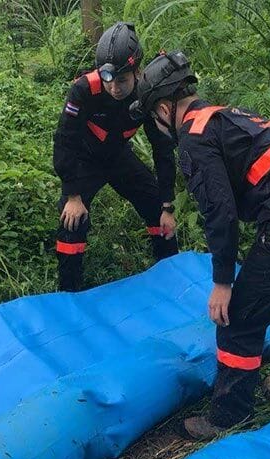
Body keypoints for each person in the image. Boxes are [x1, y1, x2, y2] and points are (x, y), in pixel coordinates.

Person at [130, 51, 270, 439]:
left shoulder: (194, 138)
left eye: (153, 117)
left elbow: (220, 212)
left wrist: (223, 282)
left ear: (163, 109)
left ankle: (229, 415)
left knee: (238, 319)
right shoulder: (227, 116)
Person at [53, 22, 178, 292]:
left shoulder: (148, 93)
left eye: (122, 80)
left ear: (137, 71)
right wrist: (73, 195)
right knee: (72, 221)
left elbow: (162, 150)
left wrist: (168, 205)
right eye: (108, 80)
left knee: (156, 207)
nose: (114, 88)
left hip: (119, 157)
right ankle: (69, 294)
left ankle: (171, 276)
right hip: (84, 161)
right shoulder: (84, 89)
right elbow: (65, 139)